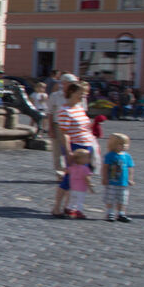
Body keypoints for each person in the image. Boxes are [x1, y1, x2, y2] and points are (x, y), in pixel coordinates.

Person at [53, 82, 95, 217]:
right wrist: (68, 151)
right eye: (80, 93)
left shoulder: (79, 107)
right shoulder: (64, 110)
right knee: (69, 178)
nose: (83, 96)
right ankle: (57, 207)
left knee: (79, 179)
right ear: (72, 92)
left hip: (85, 146)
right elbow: (64, 133)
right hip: (75, 146)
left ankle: (70, 207)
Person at [47, 73, 78, 178]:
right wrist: (50, 128)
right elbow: (50, 112)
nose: (73, 85)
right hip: (58, 125)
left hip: (72, 126)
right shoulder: (55, 96)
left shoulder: (77, 96)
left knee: (72, 149)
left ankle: (72, 171)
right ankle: (60, 173)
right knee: (57, 151)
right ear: (64, 84)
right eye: (71, 83)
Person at [101, 133, 135, 222]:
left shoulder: (127, 156)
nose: (124, 146)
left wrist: (130, 178)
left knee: (122, 198)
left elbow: (130, 168)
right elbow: (105, 167)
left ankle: (121, 213)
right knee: (110, 197)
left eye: (126, 144)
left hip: (123, 182)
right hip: (112, 181)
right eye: (121, 144)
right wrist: (104, 178)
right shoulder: (110, 155)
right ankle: (110, 212)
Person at [64, 148, 95, 219]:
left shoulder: (72, 167)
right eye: (87, 157)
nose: (89, 159)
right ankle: (78, 212)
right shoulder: (85, 169)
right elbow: (87, 178)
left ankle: (68, 208)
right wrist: (90, 186)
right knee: (79, 201)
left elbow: (66, 171)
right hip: (81, 189)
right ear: (81, 159)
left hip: (73, 187)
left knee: (72, 199)